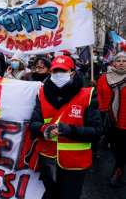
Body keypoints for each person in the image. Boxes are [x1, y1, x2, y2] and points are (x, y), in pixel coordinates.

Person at [29, 55, 102, 199]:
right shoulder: (42, 93)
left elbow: (97, 131)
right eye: (54, 71)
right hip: (48, 160)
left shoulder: (88, 95)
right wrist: (44, 129)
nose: (57, 75)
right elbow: (33, 124)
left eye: (62, 71)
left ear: (72, 73)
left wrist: (69, 130)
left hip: (75, 163)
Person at [96, 51, 126, 187]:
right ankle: (119, 165)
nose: (121, 63)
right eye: (118, 60)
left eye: (124, 61)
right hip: (111, 119)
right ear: (113, 63)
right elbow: (99, 95)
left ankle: (118, 169)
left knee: (122, 146)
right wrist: (102, 110)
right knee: (115, 145)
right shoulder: (104, 78)